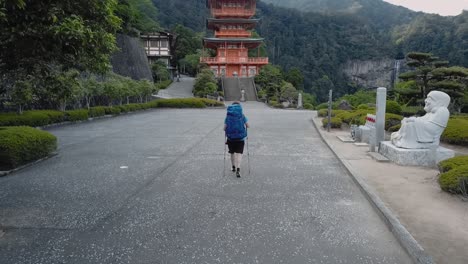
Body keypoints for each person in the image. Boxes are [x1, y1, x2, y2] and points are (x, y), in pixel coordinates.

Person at [224, 102, 249, 177]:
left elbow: (224, 128)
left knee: (232, 153)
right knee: (239, 154)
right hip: (240, 138)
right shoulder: (242, 116)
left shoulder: (228, 116)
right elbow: (248, 125)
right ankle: (238, 168)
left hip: (230, 139)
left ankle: (233, 167)